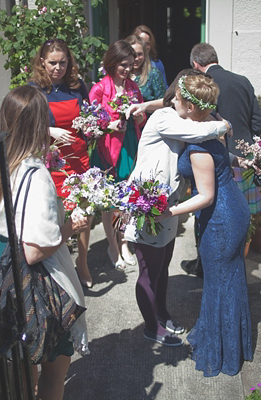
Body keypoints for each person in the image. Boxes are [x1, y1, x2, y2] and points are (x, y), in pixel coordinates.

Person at [0, 85, 89, 400]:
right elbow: (35, 250)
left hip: (2, 285)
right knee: (54, 368)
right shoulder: (34, 174)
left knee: (22, 365)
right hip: (35, 290)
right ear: (40, 124)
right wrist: (70, 227)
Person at [126, 69, 232, 347]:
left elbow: (197, 129)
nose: (173, 100)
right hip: (147, 205)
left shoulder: (180, 116)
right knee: (149, 271)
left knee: (163, 269)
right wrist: (222, 125)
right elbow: (195, 131)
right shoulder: (164, 117)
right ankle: (152, 328)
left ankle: (161, 314)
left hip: (169, 204)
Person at [157, 74, 253, 376]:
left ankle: (221, 351)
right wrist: (243, 160)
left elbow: (205, 196)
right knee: (231, 278)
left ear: (190, 106)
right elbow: (224, 162)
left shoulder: (199, 147)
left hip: (222, 219)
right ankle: (234, 343)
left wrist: (169, 211)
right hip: (235, 208)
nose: (173, 100)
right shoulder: (214, 121)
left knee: (218, 284)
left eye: (178, 98)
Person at [188, 42, 261, 275]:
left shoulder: (206, 86)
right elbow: (258, 121)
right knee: (239, 216)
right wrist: (246, 143)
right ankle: (235, 262)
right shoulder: (242, 80)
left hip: (219, 160)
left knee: (209, 215)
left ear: (195, 64)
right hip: (245, 159)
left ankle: (204, 265)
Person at [29, 38, 94, 288]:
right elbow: (25, 125)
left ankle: (84, 263)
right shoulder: (34, 89)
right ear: (42, 62)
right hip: (52, 160)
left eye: (63, 62)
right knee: (57, 215)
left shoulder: (78, 86)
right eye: (53, 63)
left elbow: (88, 115)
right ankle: (59, 265)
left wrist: (93, 126)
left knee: (84, 211)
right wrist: (49, 130)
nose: (58, 68)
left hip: (79, 158)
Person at [89, 40, 146, 269]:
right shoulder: (100, 88)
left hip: (130, 144)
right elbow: (90, 123)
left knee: (126, 198)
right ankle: (112, 244)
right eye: (124, 64)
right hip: (108, 148)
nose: (128, 69)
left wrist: (137, 116)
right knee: (111, 200)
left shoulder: (133, 87)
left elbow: (142, 116)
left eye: (131, 65)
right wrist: (109, 125)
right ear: (112, 63)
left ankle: (123, 242)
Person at [125, 35, 165, 103]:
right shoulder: (121, 75)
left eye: (140, 54)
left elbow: (163, 102)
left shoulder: (153, 74)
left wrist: (144, 106)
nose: (136, 58)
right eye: (133, 54)